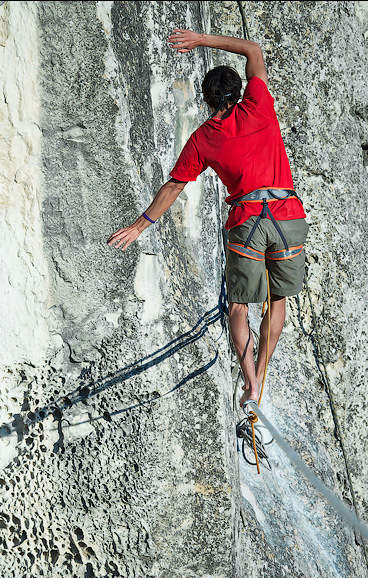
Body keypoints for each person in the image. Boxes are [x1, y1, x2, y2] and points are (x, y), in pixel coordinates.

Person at [107, 29, 309, 409]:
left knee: (238, 307)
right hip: (286, 216)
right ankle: (261, 374)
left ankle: (249, 380)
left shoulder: (203, 138)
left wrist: (140, 225)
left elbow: (174, 185)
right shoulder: (260, 103)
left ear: (207, 100)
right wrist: (201, 40)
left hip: (247, 222)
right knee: (277, 300)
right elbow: (252, 48)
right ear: (240, 93)